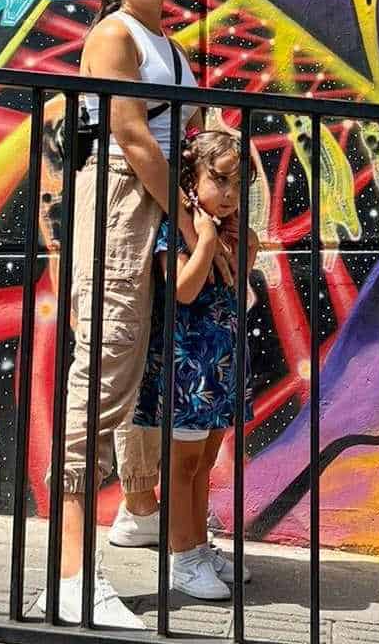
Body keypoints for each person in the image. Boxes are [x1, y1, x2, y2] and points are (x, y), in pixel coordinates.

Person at [35, 0, 233, 628]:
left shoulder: (169, 46)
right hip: (124, 208)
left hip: (155, 212)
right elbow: (129, 134)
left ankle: (145, 519)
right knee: (105, 376)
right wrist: (188, 224)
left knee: (151, 377)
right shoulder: (115, 34)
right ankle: (67, 581)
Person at [135, 129, 257, 600]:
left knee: (205, 460)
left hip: (221, 365)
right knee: (182, 464)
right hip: (188, 369)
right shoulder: (177, 229)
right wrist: (205, 239)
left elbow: (236, 282)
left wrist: (236, 240)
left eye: (237, 184)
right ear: (191, 177)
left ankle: (199, 548)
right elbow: (183, 289)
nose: (228, 194)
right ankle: (181, 557)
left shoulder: (230, 231)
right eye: (219, 180)